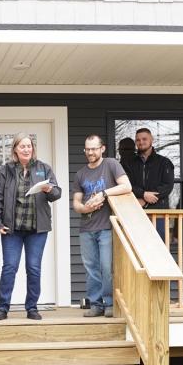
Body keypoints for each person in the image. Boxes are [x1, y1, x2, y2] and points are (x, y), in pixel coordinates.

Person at [0, 133, 62, 320]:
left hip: (37, 230)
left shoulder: (43, 169)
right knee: (9, 267)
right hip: (11, 230)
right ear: (15, 149)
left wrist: (49, 189)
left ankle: (32, 307)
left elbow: (57, 194)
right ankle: (2, 307)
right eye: (22, 146)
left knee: (33, 268)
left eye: (29, 146)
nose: (26, 149)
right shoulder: (6, 170)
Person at [72, 134, 133, 317]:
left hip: (107, 226)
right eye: (87, 149)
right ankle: (95, 304)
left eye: (93, 149)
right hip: (86, 227)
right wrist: (85, 207)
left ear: (102, 149)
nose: (90, 152)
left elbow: (126, 186)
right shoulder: (80, 174)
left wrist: (103, 194)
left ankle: (109, 303)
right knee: (91, 268)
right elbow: (76, 203)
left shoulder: (111, 164)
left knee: (106, 267)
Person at [123, 127, 174, 238]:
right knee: (137, 247)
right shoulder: (129, 163)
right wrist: (143, 194)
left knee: (159, 248)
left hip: (158, 213)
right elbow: (126, 184)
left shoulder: (164, 162)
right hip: (135, 211)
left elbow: (168, 186)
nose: (141, 142)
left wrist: (145, 200)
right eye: (138, 140)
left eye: (144, 139)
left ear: (152, 140)